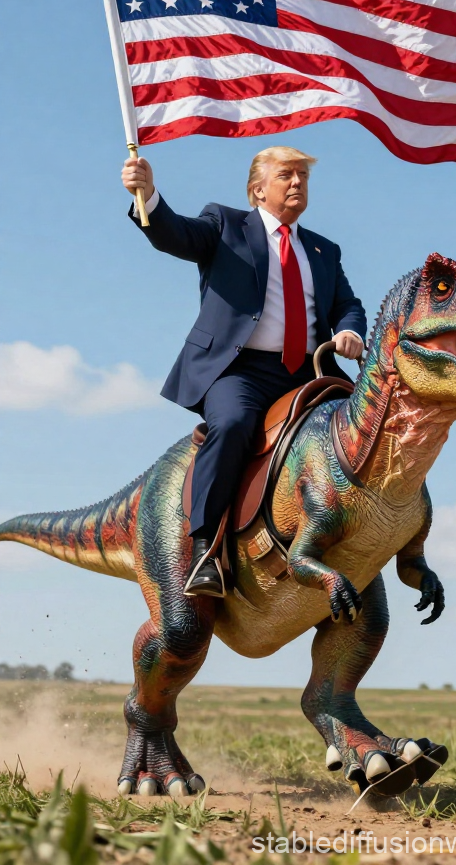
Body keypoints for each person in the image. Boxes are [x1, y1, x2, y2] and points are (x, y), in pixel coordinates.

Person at [122, 146, 367, 597]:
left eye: (302, 177)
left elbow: (347, 305)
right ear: (258, 189)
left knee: (369, 427)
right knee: (233, 425)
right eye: (285, 175)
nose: (297, 183)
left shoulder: (323, 250)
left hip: (310, 372)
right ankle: (205, 551)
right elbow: (174, 235)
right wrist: (148, 193)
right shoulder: (225, 224)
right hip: (241, 371)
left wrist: (350, 330)